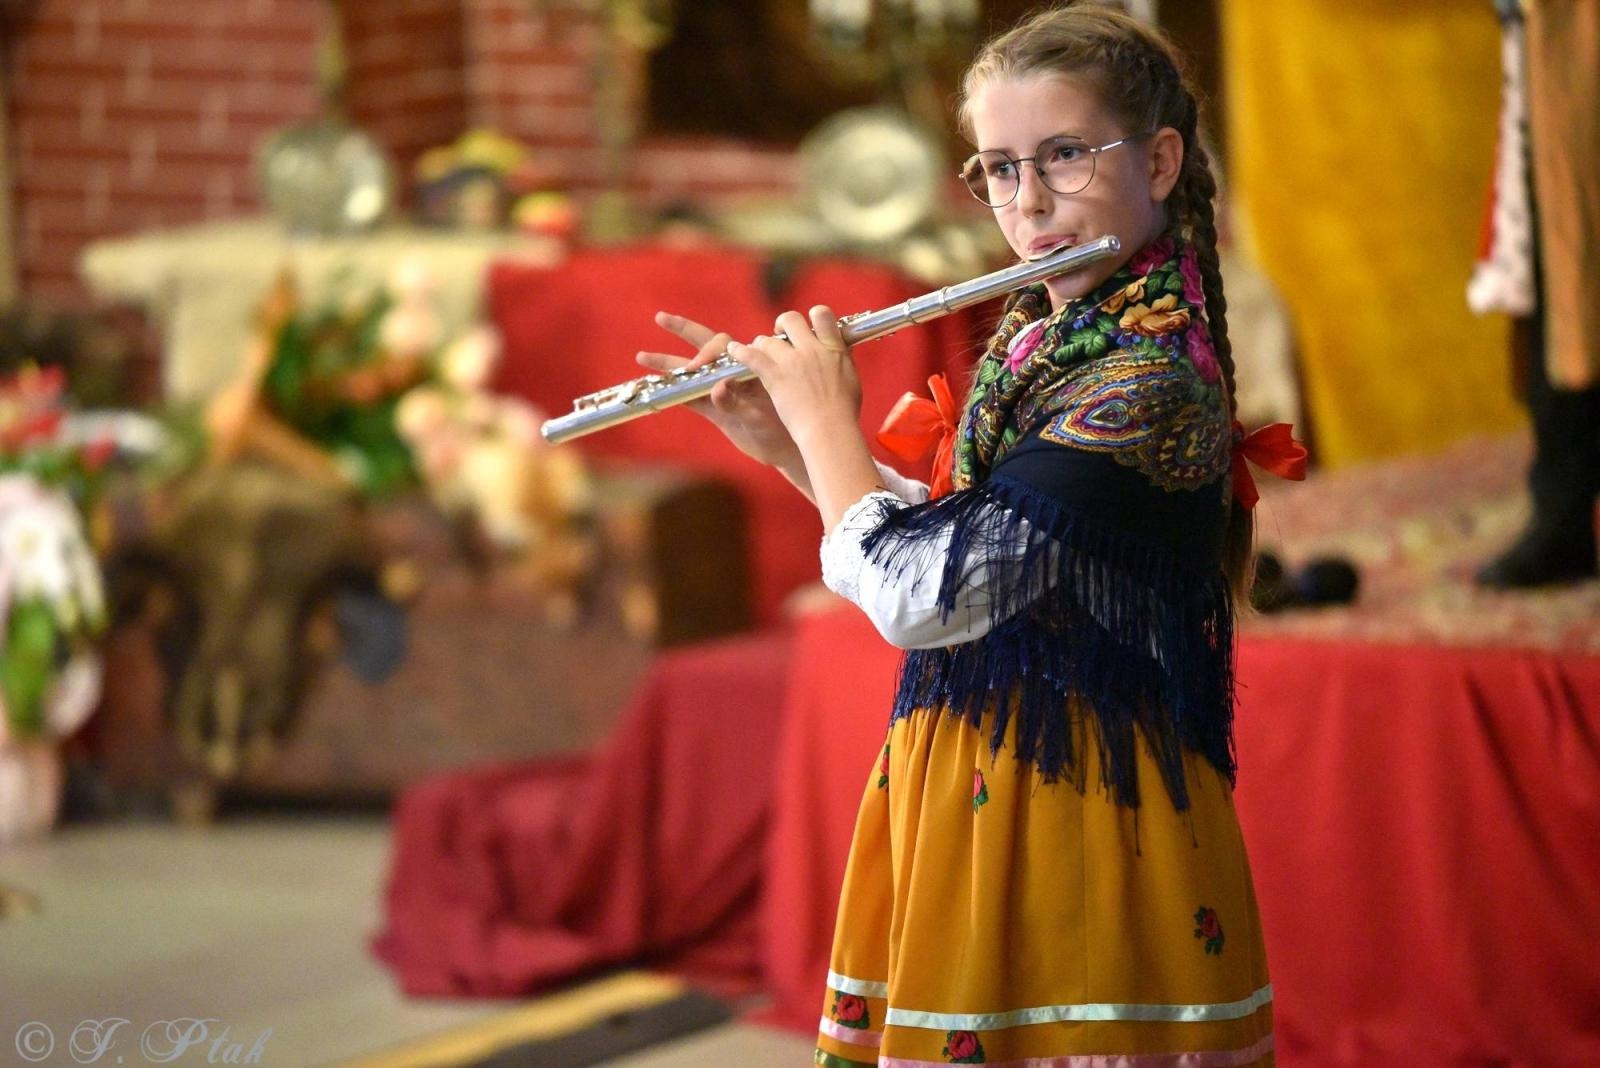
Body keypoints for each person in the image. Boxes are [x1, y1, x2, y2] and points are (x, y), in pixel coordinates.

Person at [639, 5, 1280, 1063]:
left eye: (1065, 156)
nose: (1029, 203)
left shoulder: (1146, 380)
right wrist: (788, 445)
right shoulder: (1047, 335)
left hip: (1082, 808)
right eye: (999, 168)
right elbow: (981, 539)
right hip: (981, 775)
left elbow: (925, 596)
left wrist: (827, 422)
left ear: (1160, 161)